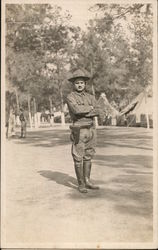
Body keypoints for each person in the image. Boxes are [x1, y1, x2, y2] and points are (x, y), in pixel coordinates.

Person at [66, 69, 101, 193]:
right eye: (77, 83)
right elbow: (76, 110)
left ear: (85, 84)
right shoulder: (70, 97)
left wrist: (87, 109)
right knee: (78, 157)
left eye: (82, 82)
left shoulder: (91, 97)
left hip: (91, 129)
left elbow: (98, 110)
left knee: (88, 156)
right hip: (79, 130)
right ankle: (81, 184)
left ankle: (87, 180)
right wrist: (90, 108)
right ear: (73, 84)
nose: (80, 85)